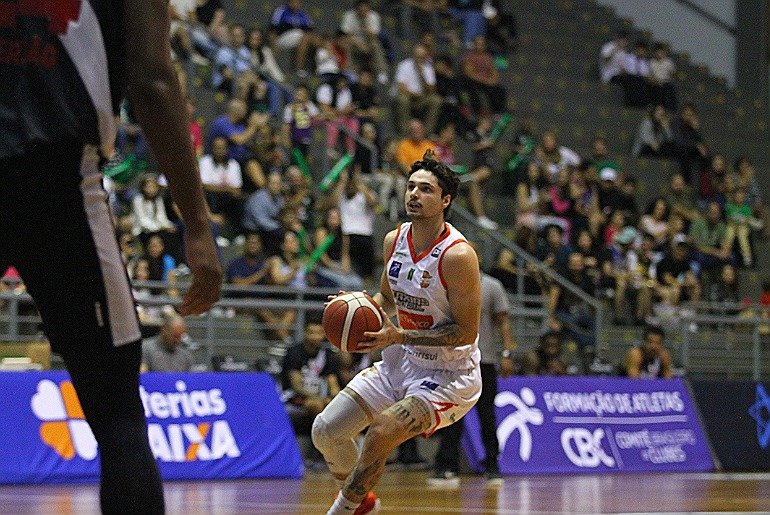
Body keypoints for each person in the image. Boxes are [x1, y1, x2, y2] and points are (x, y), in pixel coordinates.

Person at [0, 2, 222, 513]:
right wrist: (197, 223)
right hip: (58, 180)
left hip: (54, 170)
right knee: (117, 411)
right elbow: (152, 83)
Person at [312, 150, 482, 514]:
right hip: (401, 361)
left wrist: (400, 336)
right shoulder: (394, 241)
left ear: (445, 200)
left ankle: (342, 510)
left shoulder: (458, 256)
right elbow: (387, 299)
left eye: (426, 189)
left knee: (382, 431)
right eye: (410, 187)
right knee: (325, 431)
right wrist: (358, 308)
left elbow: (466, 333)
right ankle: (362, 503)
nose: (414, 195)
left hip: (448, 375)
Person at [428, 242, 513, 486]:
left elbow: (503, 322)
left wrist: (506, 353)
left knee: (486, 415)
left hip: (484, 359)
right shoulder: (446, 286)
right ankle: (446, 466)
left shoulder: (492, 286)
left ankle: (493, 465)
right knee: (452, 414)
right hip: (454, 360)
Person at [281, 318, 341, 463]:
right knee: (316, 406)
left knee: (337, 408)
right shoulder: (294, 353)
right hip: (294, 398)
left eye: (319, 333)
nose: (315, 337)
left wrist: (338, 399)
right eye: (312, 333)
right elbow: (296, 386)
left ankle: (338, 454)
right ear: (304, 334)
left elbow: (333, 384)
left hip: (319, 398)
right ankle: (316, 454)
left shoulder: (327, 355)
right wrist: (320, 399)